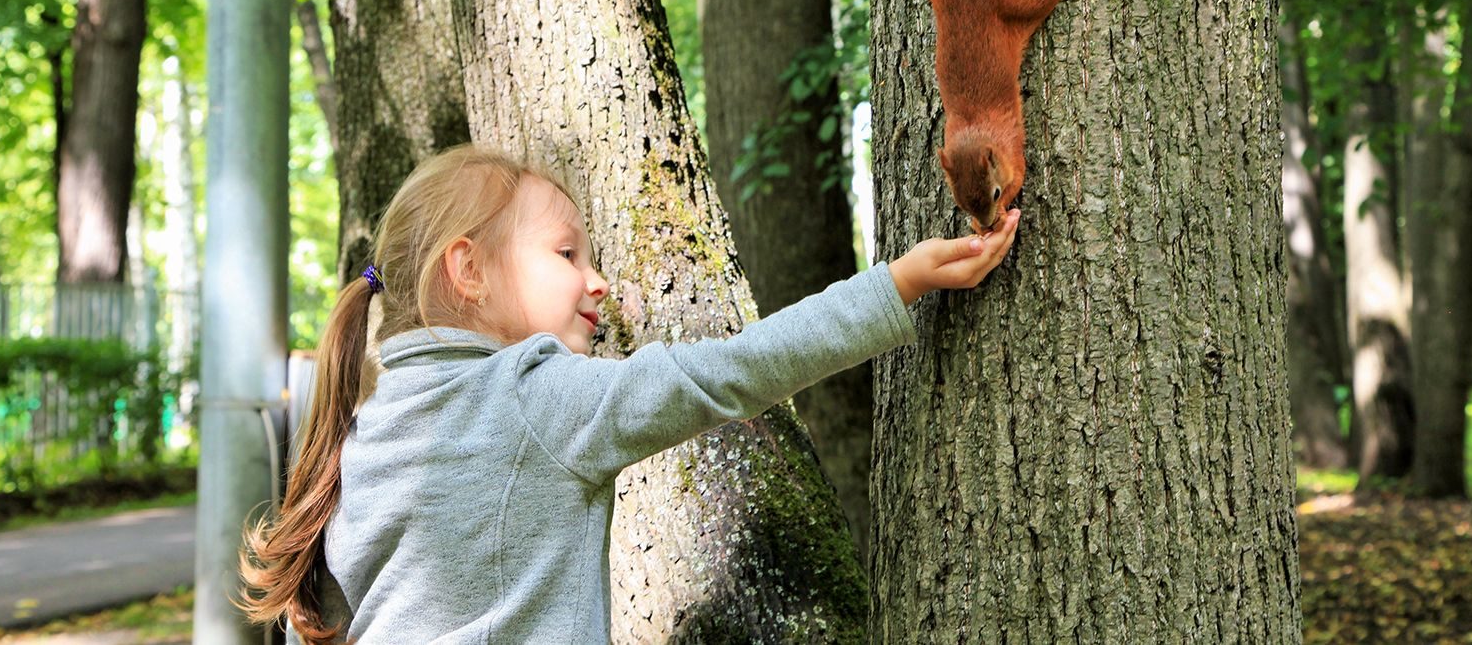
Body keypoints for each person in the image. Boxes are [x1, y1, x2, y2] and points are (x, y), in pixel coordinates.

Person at [238, 143, 1020, 643]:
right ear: (468, 270)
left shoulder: (368, 431)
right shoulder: (532, 397)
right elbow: (730, 370)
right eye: (567, 251)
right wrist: (897, 283)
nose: (597, 278)